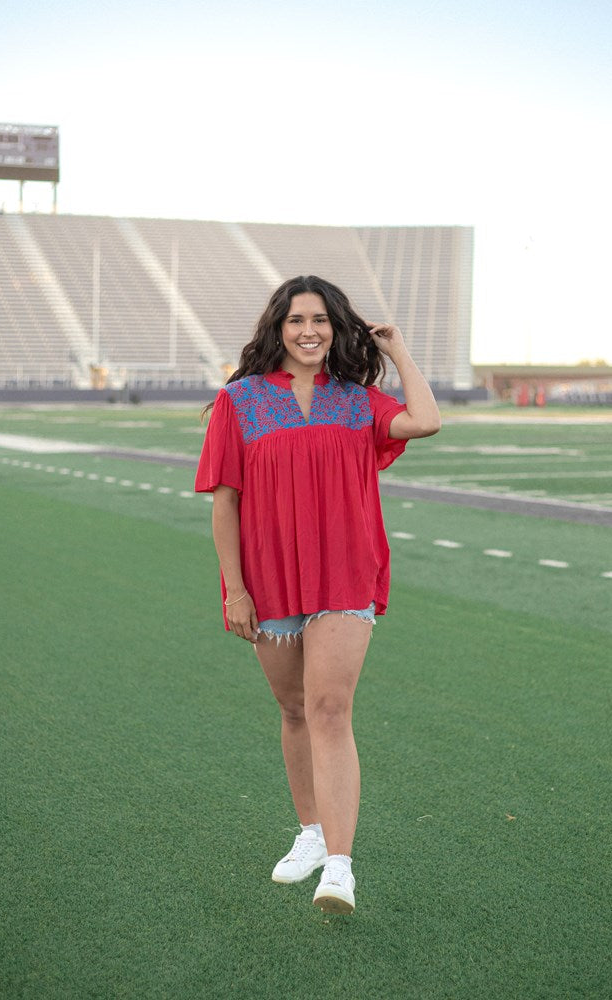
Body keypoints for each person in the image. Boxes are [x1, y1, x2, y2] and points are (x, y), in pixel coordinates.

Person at [195, 275, 441, 915]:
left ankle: (340, 866)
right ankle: (308, 834)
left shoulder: (358, 400)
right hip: (270, 582)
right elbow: (225, 502)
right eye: (297, 320)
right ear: (278, 327)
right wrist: (236, 591)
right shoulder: (240, 401)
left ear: (337, 329)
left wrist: (399, 351)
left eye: (322, 320)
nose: (310, 331)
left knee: (330, 709)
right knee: (295, 710)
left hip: (343, 577)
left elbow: (427, 421)